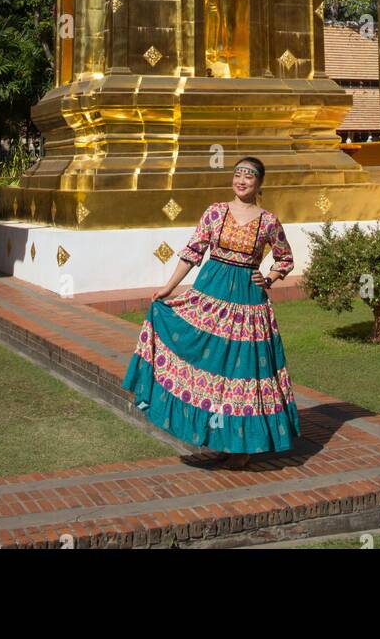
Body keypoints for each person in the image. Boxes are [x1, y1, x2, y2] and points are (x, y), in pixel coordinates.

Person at [122, 156, 301, 466]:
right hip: (210, 295)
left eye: (249, 176)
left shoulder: (268, 220)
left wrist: (268, 278)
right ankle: (219, 438)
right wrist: (169, 286)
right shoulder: (215, 212)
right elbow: (193, 252)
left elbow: (285, 258)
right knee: (212, 364)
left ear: (260, 183)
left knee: (241, 370)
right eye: (237, 175)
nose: (242, 181)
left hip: (248, 302)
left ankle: (242, 446)